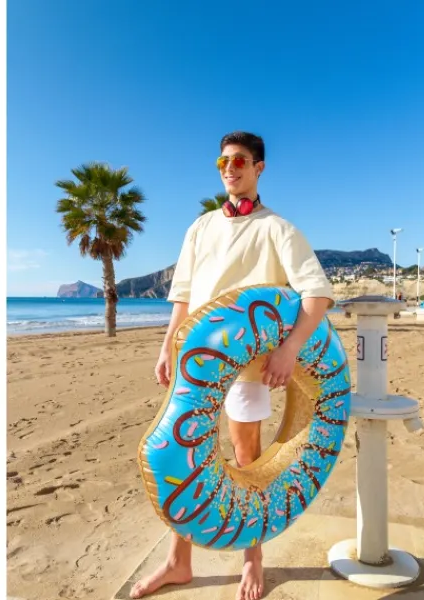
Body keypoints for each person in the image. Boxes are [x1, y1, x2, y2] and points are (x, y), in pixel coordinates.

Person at [130, 131, 335, 600]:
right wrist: (167, 348)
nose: (229, 168)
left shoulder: (277, 229)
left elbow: (317, 295)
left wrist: (289, 350)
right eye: (223, 161)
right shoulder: (200, 227)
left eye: (240, 160)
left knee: (248, 463)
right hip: (195, 366)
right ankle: (178, 564)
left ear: (259, 167)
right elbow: (183, 297)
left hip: (248, 369)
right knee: (183, 462)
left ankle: (252, 561)